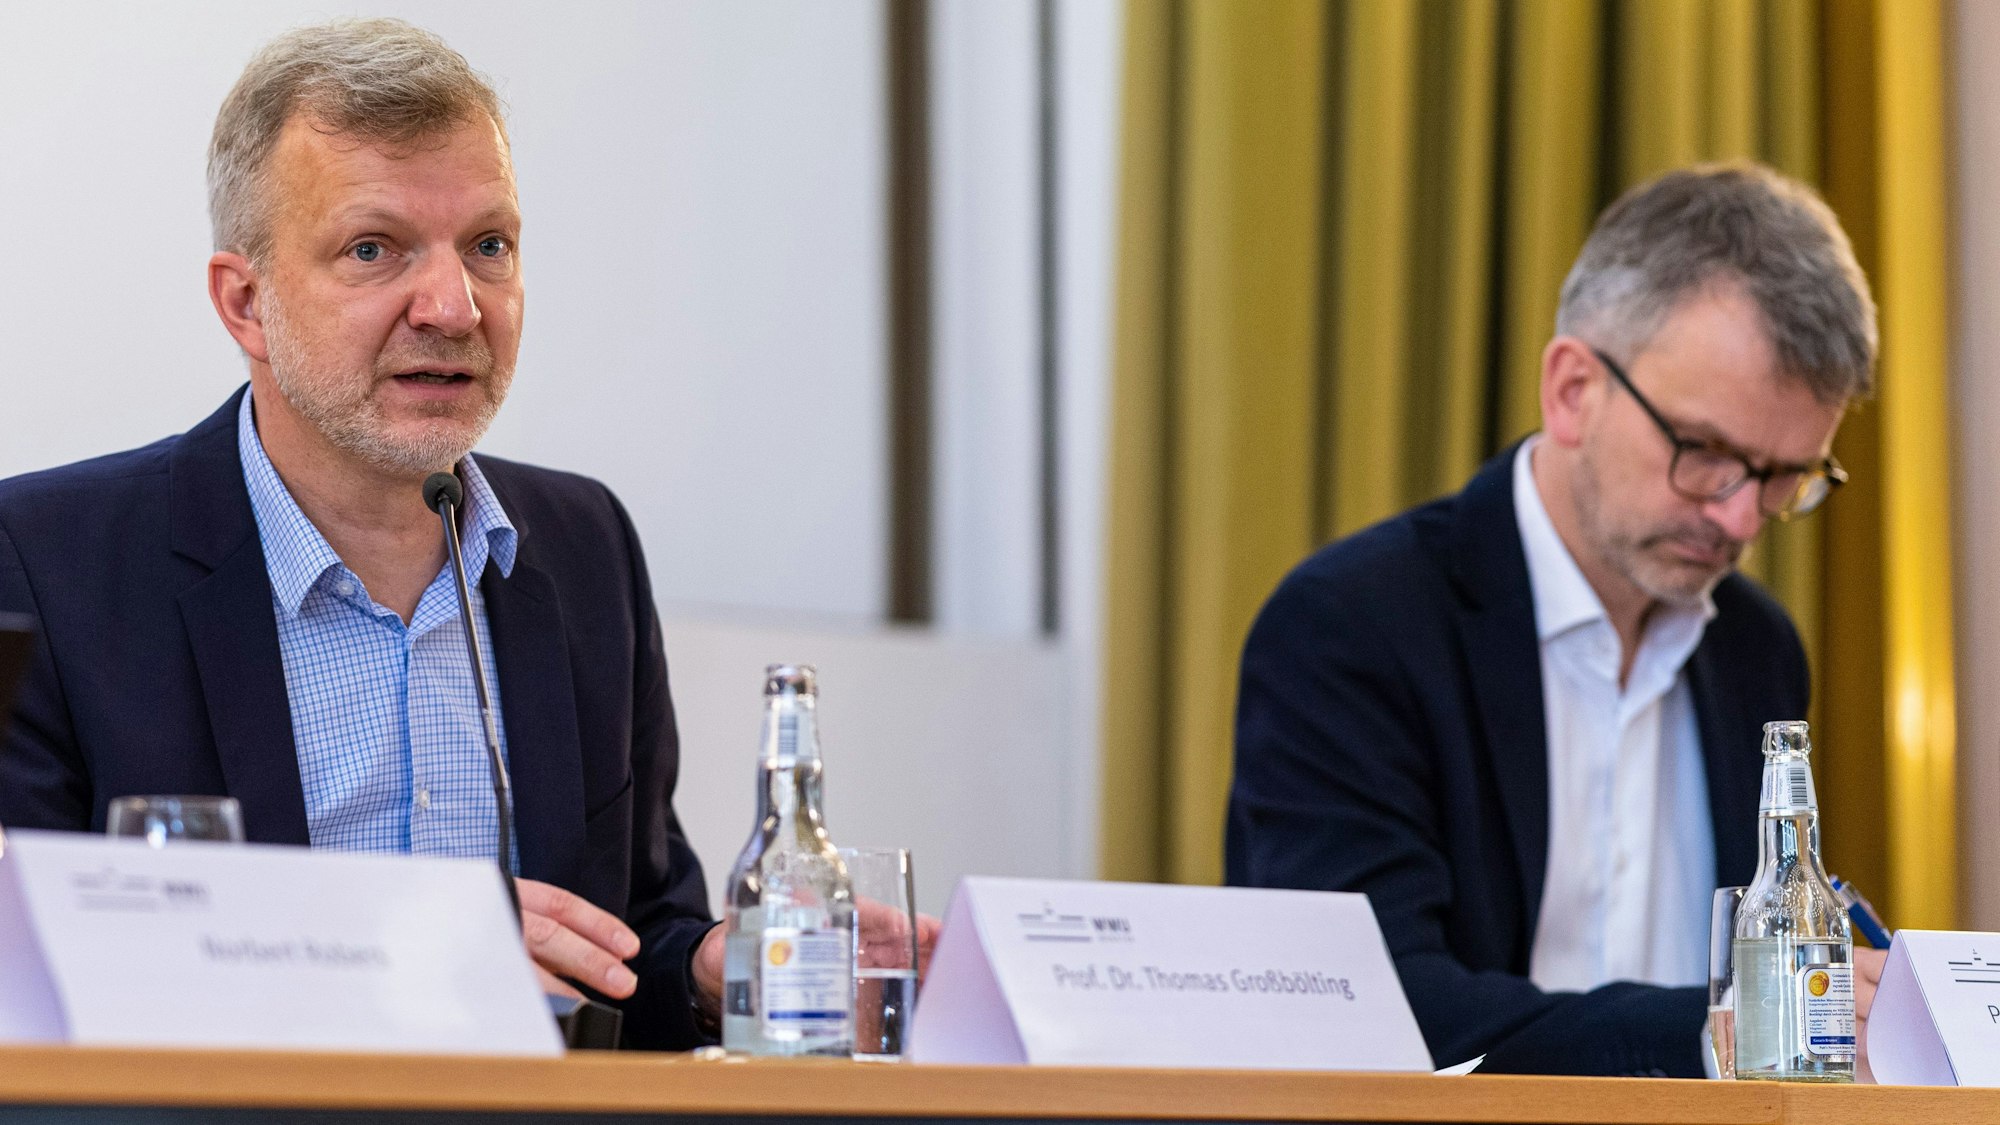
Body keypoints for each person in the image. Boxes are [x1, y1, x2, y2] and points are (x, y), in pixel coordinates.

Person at [0, 19, 727, 1048]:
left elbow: (623, 942)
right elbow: (35, 975)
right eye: (373, 249)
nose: (453, 306)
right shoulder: (45, 560)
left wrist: (702, 971)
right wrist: (417, 953)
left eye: (489, 246)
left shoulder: (583, 546)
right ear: (245, 302)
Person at [1227, 163, 1887, 1077]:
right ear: (1573, 388)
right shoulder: (1351, 627)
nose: (1741, 518)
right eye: (1705, 453)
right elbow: (1369, 1005)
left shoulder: (1756, 648)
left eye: (1787, 477)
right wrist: (1718, 1025)